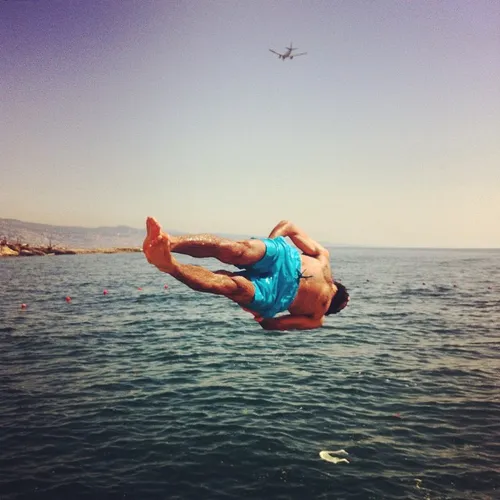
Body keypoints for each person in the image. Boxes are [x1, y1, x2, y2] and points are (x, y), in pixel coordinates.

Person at [143, 217, 349, 331]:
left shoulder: (317, 318)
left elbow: (274, 324)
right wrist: (270, 244)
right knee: (235, 250)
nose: (347, 303)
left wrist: (260, 316)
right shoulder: (323, 258)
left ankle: (169, 264)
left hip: (275, 295)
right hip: (284, 258)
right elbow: (289, 227)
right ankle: (168, 242)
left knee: (229, 285)